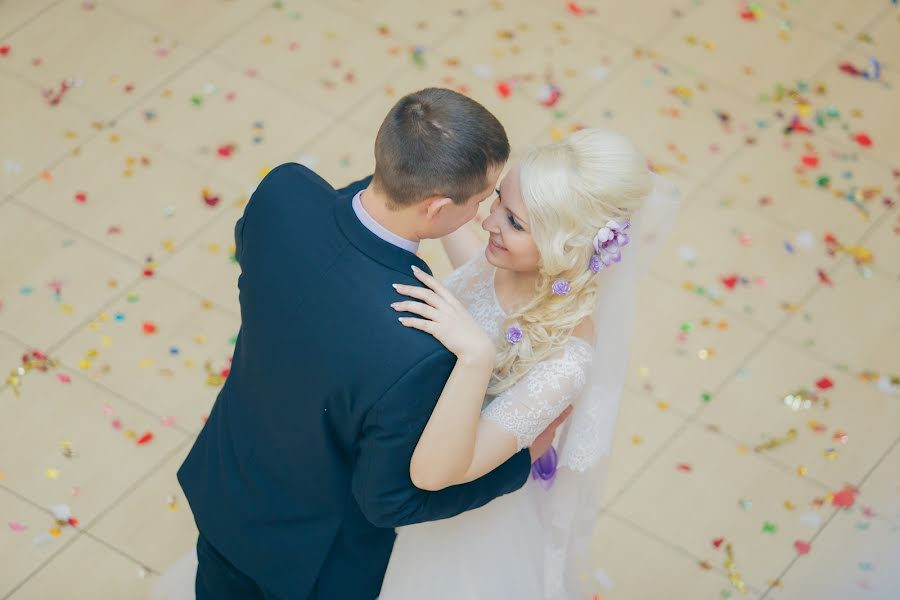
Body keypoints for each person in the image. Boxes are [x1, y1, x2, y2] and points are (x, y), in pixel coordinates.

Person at [155, 88, 569, 600]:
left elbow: (264, 245)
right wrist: (519, 463)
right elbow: (389, 502)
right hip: (312, 561)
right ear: (438, 207)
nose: (485, 216)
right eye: (483, 200)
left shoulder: (283, 192)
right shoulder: (417, 352)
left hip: (226, 484)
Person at [378, 128, 680, 599]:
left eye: (513, 221)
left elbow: (441, 475)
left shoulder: (564, 361)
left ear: (568, 248)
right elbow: (458, 238)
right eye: (497, 201)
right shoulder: (500, 260)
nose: (487, 222)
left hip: (456, 523)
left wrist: (474, 355)